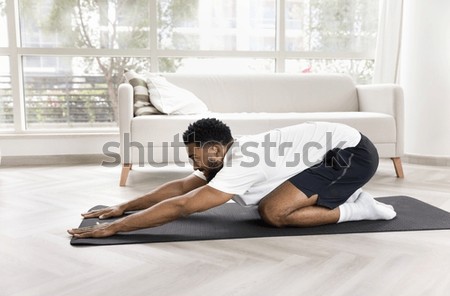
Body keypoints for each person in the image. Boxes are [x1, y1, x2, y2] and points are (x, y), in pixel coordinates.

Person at [68, 118, 396, 238]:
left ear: (213, 150)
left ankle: (361, 207)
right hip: (332, 149)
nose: (192, 164)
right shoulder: (229, 154)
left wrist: (117, 228)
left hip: (353, 154)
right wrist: (123, 207)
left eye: (194, 157)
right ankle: (341, 194)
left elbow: (184, 205)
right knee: (271, 205)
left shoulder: (241, 163)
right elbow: (183, 187)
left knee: (273, 212)